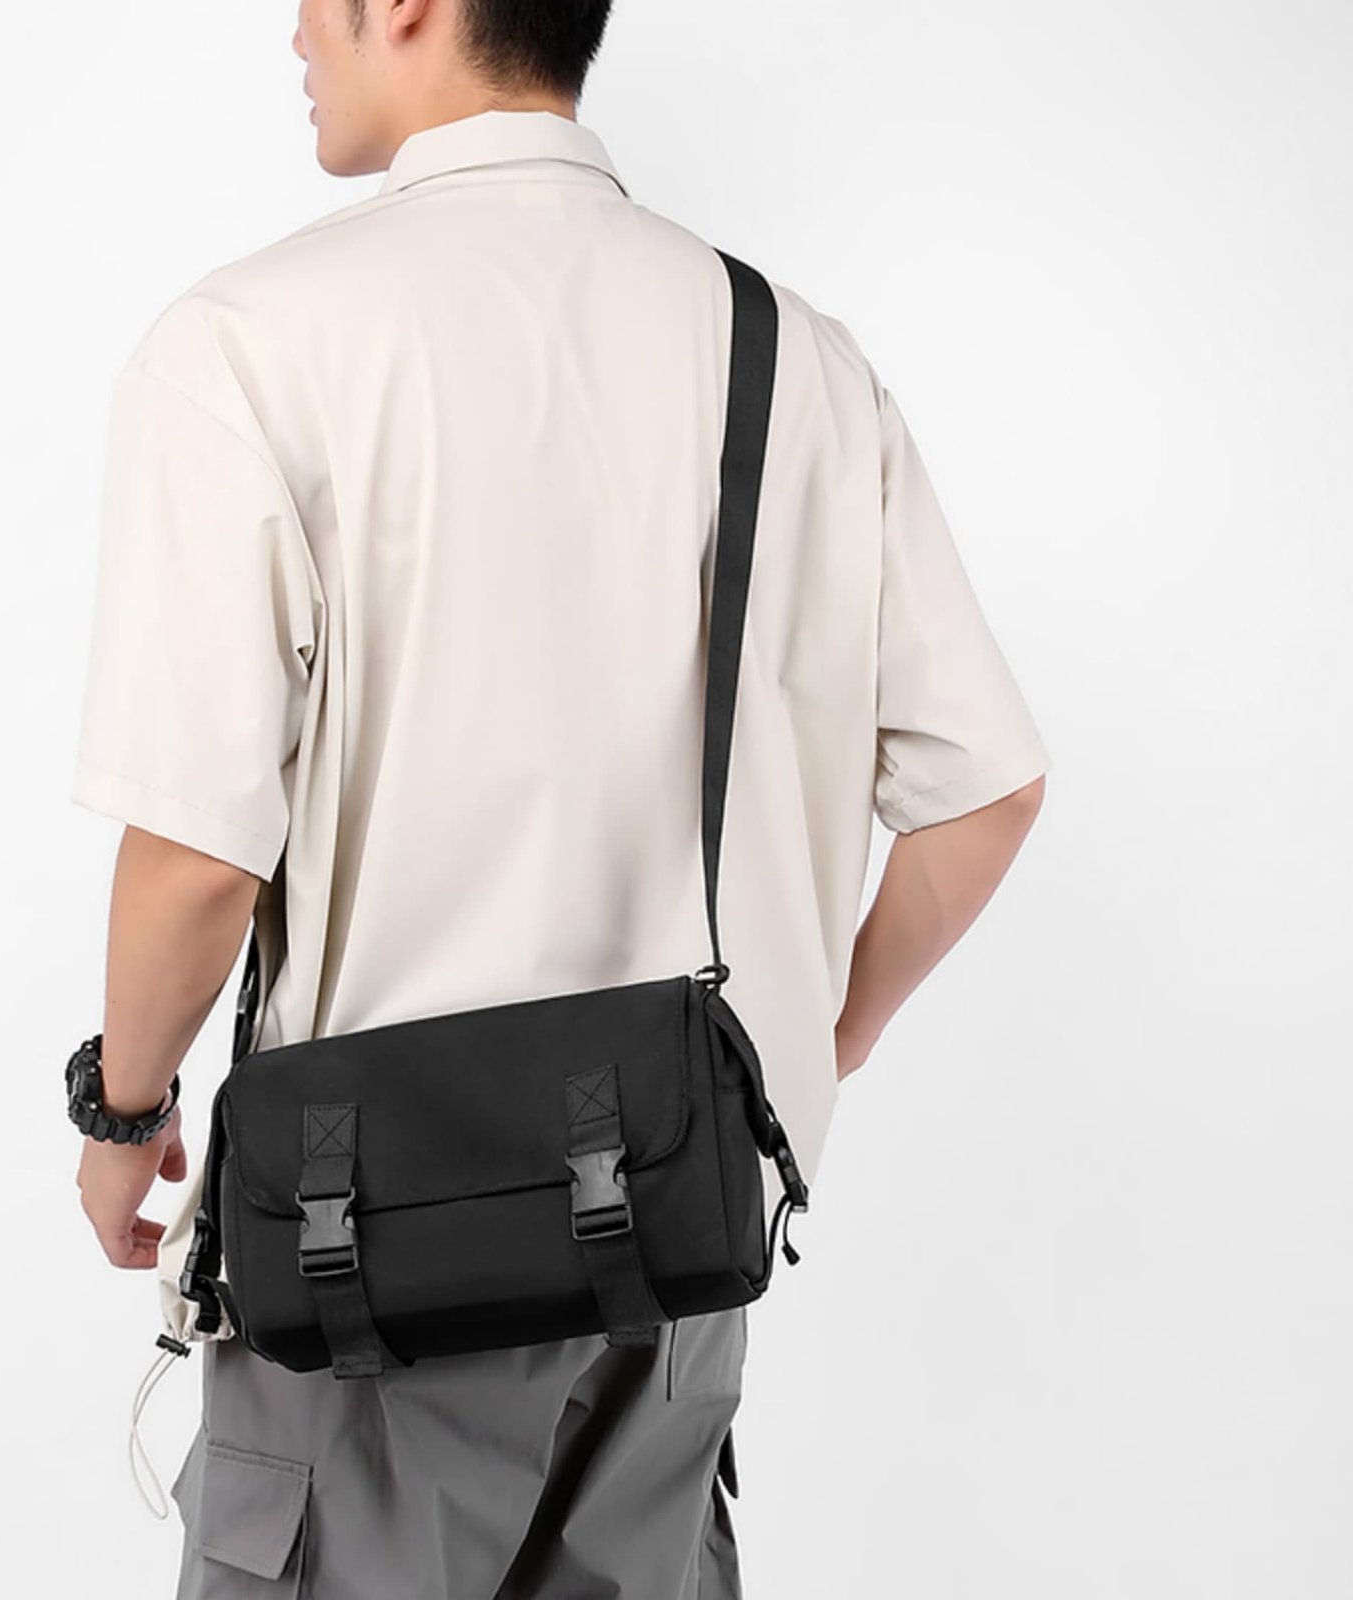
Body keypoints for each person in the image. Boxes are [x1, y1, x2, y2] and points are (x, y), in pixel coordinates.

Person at [67, 1, 1051, 1594]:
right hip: (671, 1264)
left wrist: (121, 1114)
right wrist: (810, 1045)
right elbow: (984, 792)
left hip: (366, 1270)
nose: (295, 26)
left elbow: (195, 859)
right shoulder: (790, 353)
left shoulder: (248, 344)